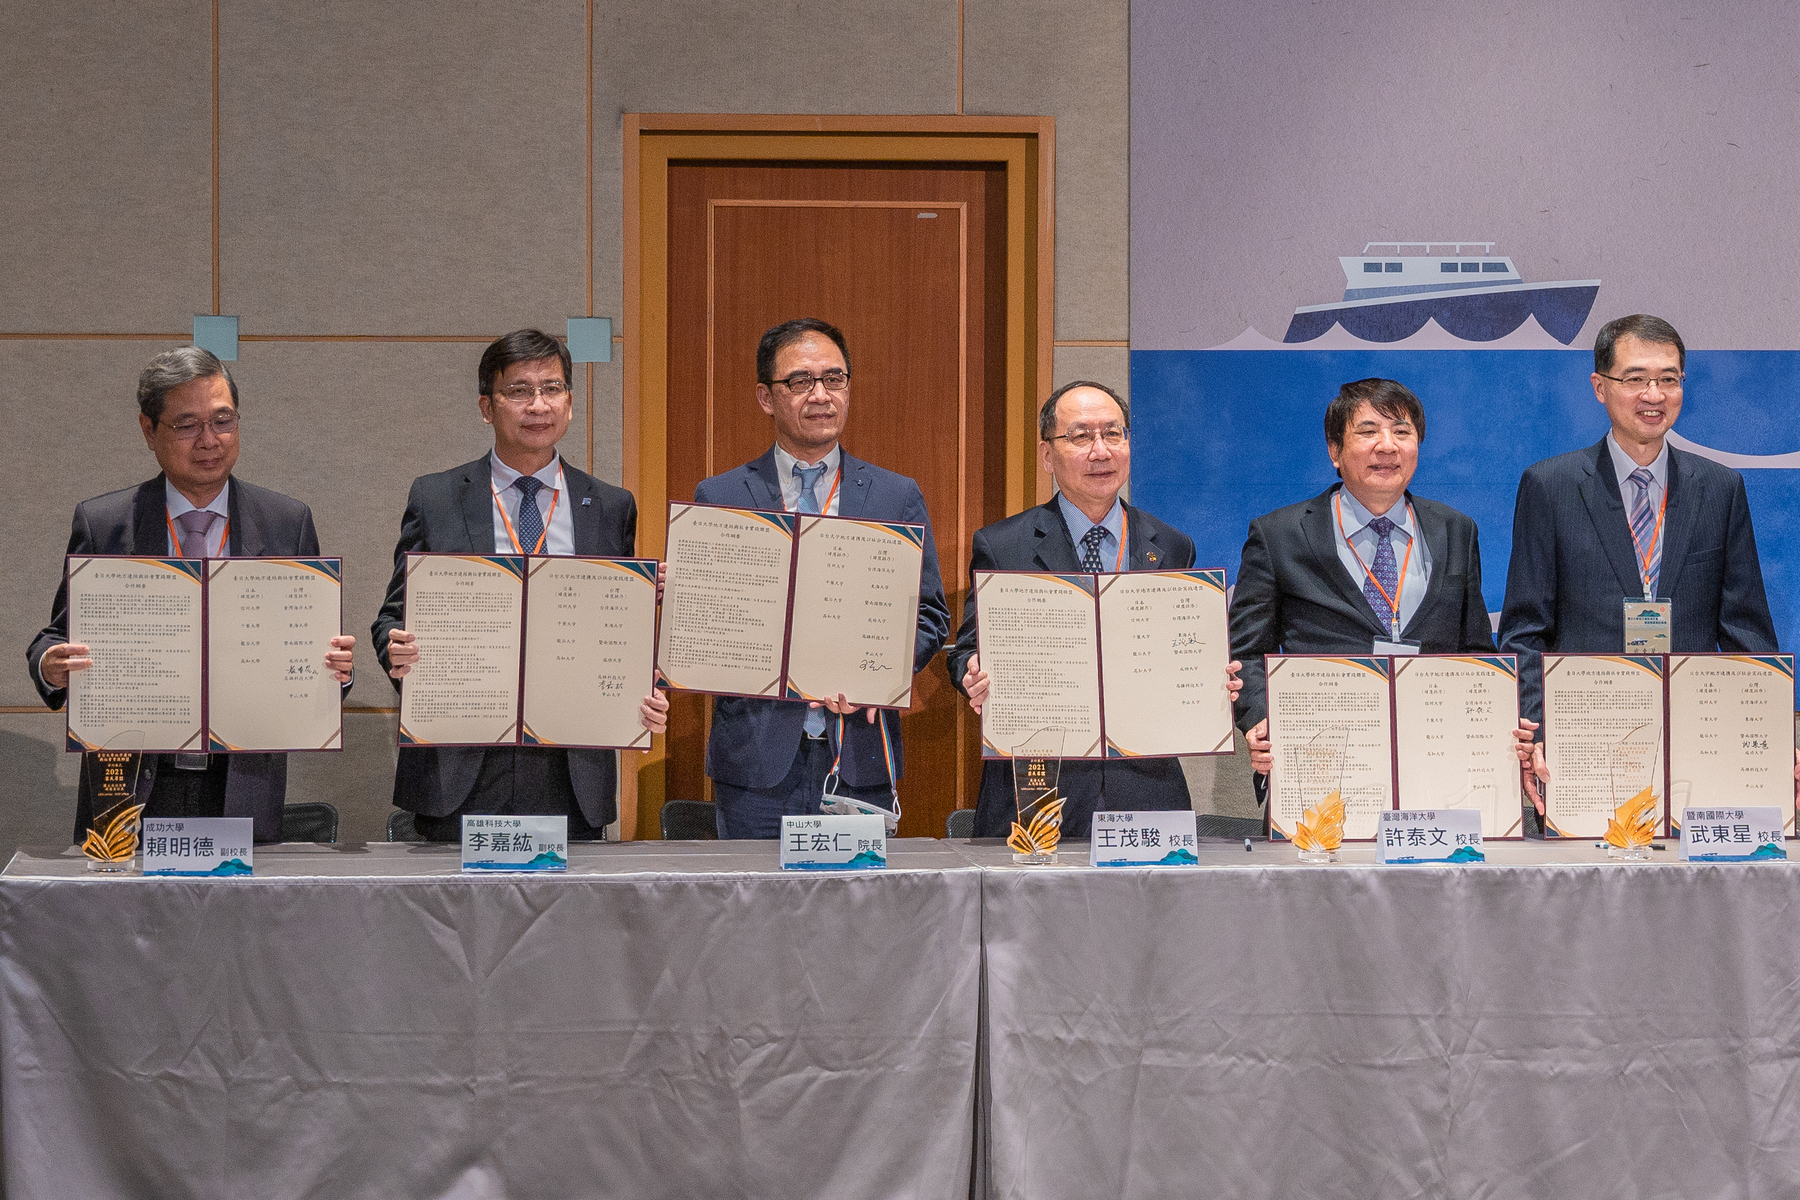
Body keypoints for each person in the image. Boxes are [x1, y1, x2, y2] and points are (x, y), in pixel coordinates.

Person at [27, 346, 355, 843]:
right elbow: (55, 635)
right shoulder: (106, 523)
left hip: (241, 777)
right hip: (134, 776)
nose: (209, 440)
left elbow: (310, 651)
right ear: (148, 430)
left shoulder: (287, 522)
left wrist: (334, 671)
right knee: (128, 920)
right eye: (186, 425)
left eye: (223, 420)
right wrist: (51, 662)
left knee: (237, 921)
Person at [373, 329, 666, 841]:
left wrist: (648, 663)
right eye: (518, 391)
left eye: (552, 389)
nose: (538, 405)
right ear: (487, 407)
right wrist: (395, 650)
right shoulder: (437, 497)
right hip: (462, 756)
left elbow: (622, 630)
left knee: (566, 919)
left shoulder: (610, 505)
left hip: (570, 760)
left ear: (570, 404)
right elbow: (392, 616)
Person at [1499, 314, 1789, 829]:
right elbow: (1526, 630)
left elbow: (1746, 630)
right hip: (1583, 743)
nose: (1653, 394)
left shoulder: (1719, 488)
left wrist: (1772, 734)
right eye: (1635, 379)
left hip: (1695, 740)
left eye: (1669, 378)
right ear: (1600, 387)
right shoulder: (1551, 486)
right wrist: (1536, 731)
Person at [694, 317, 951, 838]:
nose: (821, 395)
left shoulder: (893, 496)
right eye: (801, 381)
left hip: (859, 757)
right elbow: (707, 627)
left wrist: (874, 675)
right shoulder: (721, 498)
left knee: (858, 915)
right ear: (767, 397)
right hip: (756, 765)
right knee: (759, 914)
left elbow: (929, 615)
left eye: (834, 380)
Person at [949, 380, 1240, 839]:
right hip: (1041, 786)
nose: (1100, 451)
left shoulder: (1171, 545)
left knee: (1151, 911)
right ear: (1047, 455)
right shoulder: (1004, 545)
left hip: (1147, 787)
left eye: (1113, 433)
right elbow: (967, 646)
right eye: (1081, 436)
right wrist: (970, 669)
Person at [1230, 378, 1495, 805]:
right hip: (1320, 764)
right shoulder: (1280, 535)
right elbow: (1245, 651)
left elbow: (1478, 653)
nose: (1387, 446)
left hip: (1434, 765)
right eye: (1368, 431)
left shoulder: (1455, 530)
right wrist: (1261, 720)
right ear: (1335, 451)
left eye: (1402, 432)